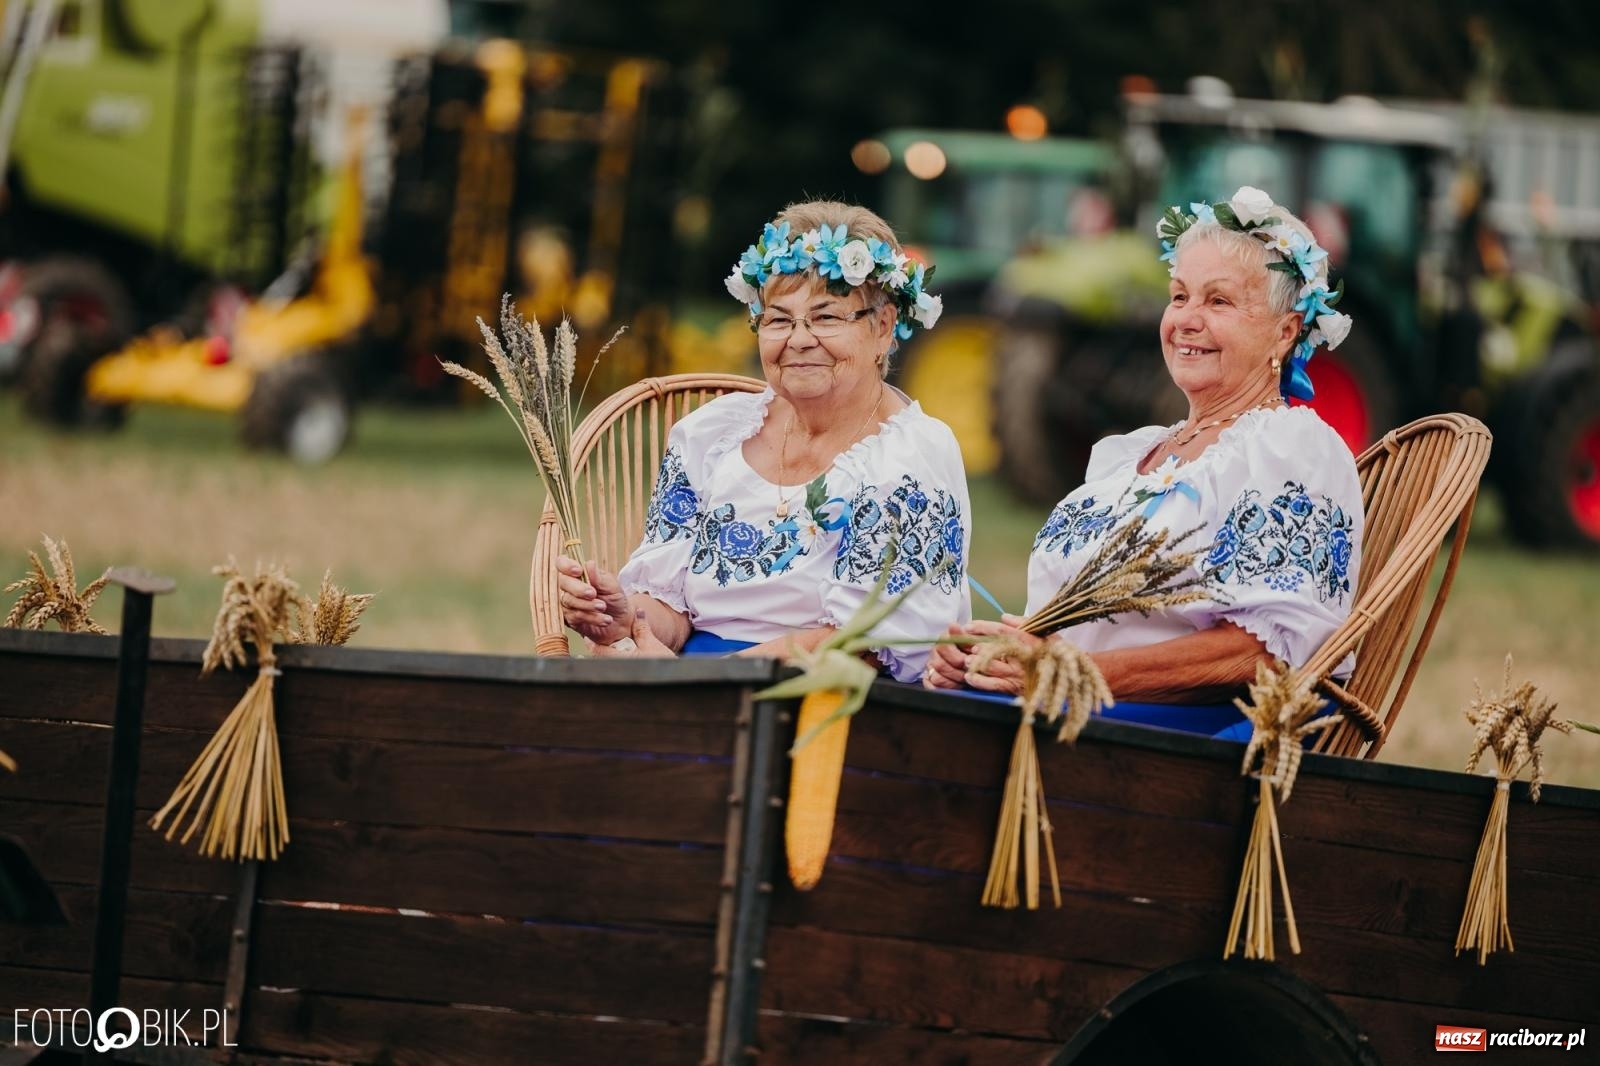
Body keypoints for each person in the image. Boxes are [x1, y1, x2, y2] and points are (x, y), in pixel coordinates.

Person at [925, 186, 1364, 736]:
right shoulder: (1134, 453)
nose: (1187, 319)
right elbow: (1104, 626)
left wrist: (1066, 674)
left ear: (1286, 330)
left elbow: (1269, 653)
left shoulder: (1290, 450)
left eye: (1219, 301)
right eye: (1179, 296)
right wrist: (1004, 654)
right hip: (1079, 714)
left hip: (1162, 742)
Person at [556, 200, 971, 682]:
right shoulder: (710, 435)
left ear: (882, 328)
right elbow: (672, 612)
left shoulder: (911, 454)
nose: (798, 339)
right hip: (693, 683)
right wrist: (625, 618)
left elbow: (866, 645)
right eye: (778, 319)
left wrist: (705, 682)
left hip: (829, 703)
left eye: (826, 317)